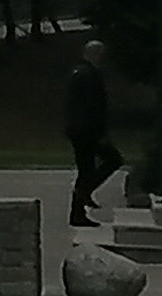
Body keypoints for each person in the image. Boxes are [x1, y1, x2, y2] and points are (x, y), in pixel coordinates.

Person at [63, 39, 124, 230]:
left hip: (76, 128)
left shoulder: (77, 72)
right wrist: (101, 132)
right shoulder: (90, 74)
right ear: (95, 54)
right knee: (113, 160)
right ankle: (82, 195)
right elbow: (94, 105)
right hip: (88, 130)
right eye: (101, 54)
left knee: (86, 168)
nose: (103, 58)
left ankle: (79, 207)